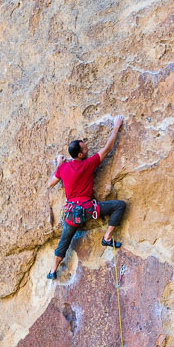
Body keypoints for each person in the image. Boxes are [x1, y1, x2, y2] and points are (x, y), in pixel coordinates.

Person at [46, 116, 126, 279]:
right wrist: (116, 126)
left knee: (64, 241)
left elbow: (50, 184)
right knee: (120, 205)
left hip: (71, 214)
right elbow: (107, 148)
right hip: (89, 209)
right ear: (80, 154)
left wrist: (59, 164)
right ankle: (107, 237)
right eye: (85, 148)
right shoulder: (88, 164)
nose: (88, 148)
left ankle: (52, 271)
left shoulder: (63, 168)